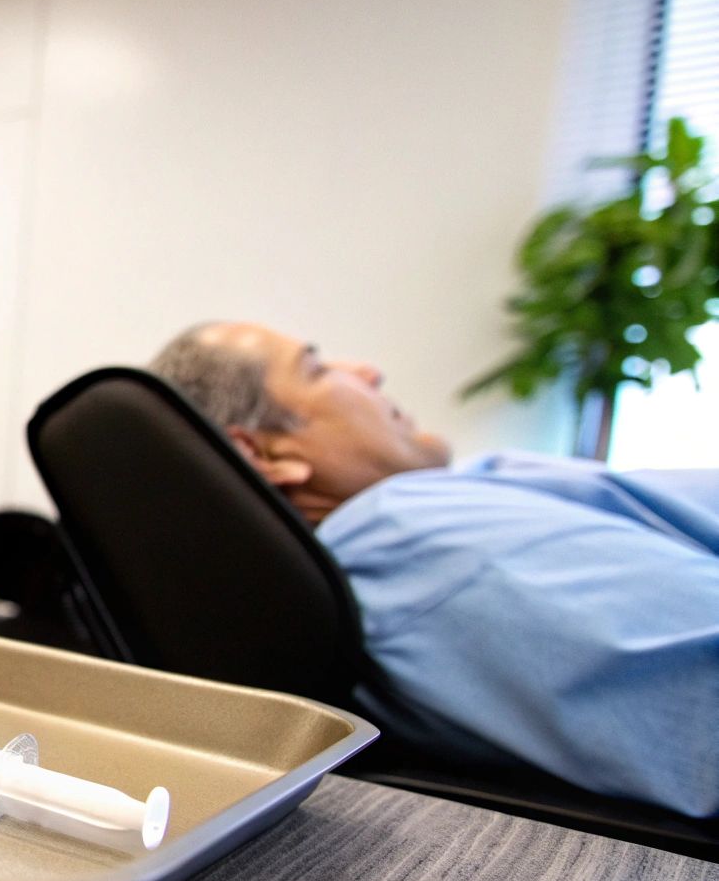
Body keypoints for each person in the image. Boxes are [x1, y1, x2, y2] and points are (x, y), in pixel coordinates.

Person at [149, 321, 718, 819]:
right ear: (267, 456)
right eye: (318, 370)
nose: (368, 372)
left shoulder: (439, 497)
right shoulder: (402, 528)